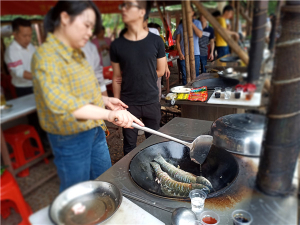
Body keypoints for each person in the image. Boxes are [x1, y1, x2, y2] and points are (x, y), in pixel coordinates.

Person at [33, 1, 144, 192]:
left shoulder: (78, 53)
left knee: (105, 183)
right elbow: (64, 104)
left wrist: (105, 101)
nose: (89, 32)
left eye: (92, 27)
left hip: (95, 130)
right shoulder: (46, 56)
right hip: (70, 137)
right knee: (78, 192)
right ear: (65, 18)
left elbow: (80, 94)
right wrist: (109, 115)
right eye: (86, 25)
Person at [110, 0, 166, 155]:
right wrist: (117, 104)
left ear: (142, 12)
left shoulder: (156, 41)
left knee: (154, 141)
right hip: (129, 104)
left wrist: (140, 73)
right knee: (129, 144)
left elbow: (161, 70)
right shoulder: (117, 45)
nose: (124, 9)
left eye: (129, 6)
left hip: (151, 101)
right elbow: (116, 77)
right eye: (123, 6)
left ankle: (155, 173)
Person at [4, 18, 35, 97]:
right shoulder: (11, 51)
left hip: (36, 84)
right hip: (24, 89)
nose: (28, 39)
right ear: (14, 34)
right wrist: (42, 77)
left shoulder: (30, 45)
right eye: (24, 36)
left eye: (30, 35)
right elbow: (19, 72)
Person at [175, 7, 203, 85]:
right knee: (185, 76)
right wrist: (180, 53)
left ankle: (195, 93)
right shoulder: (180, 26)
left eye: (189, 11)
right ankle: (186, 94)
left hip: (195, 53)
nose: (187, 13)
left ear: (193, 12)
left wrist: (191, 23)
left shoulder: (197, 23)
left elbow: (200, 35)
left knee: (195, 75)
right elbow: (177, 40)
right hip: (184, 54)